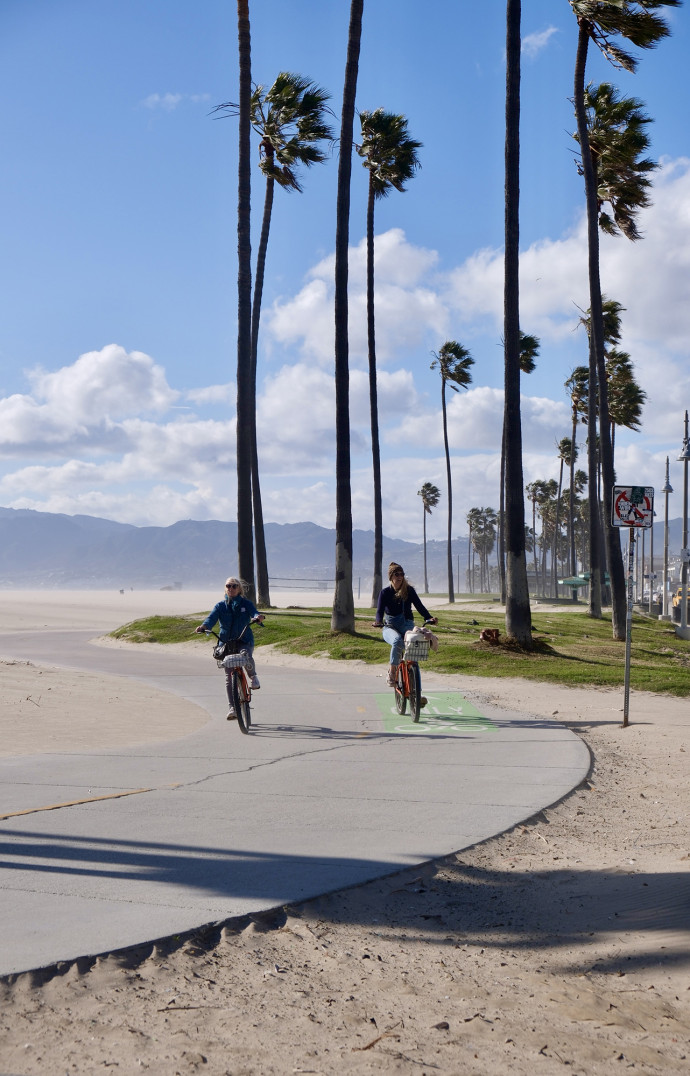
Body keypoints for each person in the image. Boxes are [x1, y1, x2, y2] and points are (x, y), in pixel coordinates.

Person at [195, 577, 265, 721]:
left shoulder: (246, 603)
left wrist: (257, 617)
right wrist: (203, 627)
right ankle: (232, 708)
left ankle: (253, 677)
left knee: (246, 655)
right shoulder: (220, 606)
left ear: (239, 589)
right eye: (228, 586)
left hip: (244, 639)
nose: (231, 588)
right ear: (225, 588)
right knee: (228, 676)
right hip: (226, 643)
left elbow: (254, 612)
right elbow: (211, 619)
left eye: (234, 586)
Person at [372, 563, 437, 686]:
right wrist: (378, 621)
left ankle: (416, 693)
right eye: (397, 574)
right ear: (391, 577)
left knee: (413, 653)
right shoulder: (385, 592)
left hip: (407, 624)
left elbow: (420, 606)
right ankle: (392, 673)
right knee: (397, 641)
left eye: (402, 574)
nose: (400, 576)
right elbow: (379, 611)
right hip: (390, 627)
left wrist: (429, 618)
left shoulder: (409, 591)